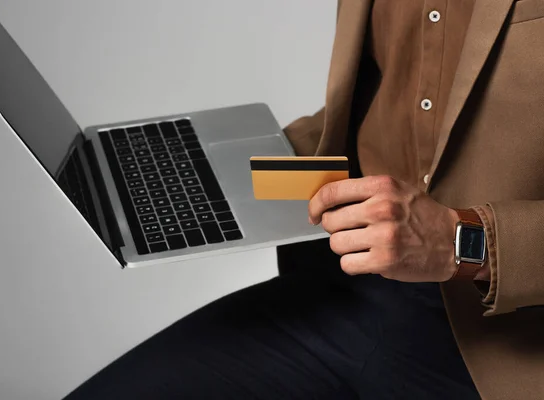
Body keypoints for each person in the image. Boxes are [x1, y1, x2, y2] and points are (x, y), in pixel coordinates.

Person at [65, 1, 544, 399]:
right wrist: (233, 168)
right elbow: (392, 102)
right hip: (352, 291)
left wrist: (462, 240)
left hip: (510, 347)